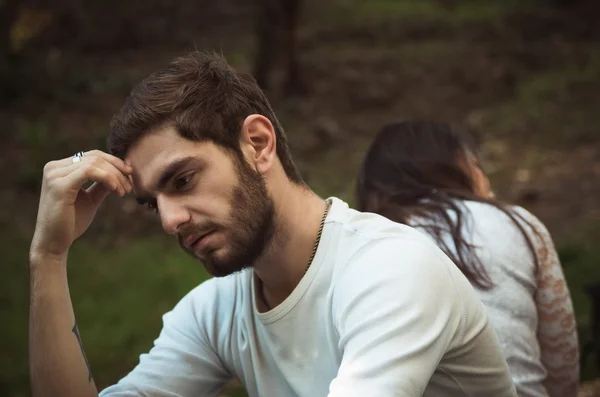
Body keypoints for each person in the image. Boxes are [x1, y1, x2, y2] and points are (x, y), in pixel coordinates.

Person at [28, 52, 518, 397]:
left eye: (182, 179)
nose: (171, 220)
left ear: (258, 144)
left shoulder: (392, 271)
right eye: (153, 204)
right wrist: (48, 257)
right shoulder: (215, 313)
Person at [355, 120, 580, 397]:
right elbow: (561, 360)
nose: (489, 186)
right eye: (476, 165)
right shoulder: (516, 222)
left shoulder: (366, 247)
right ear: (460, 167)